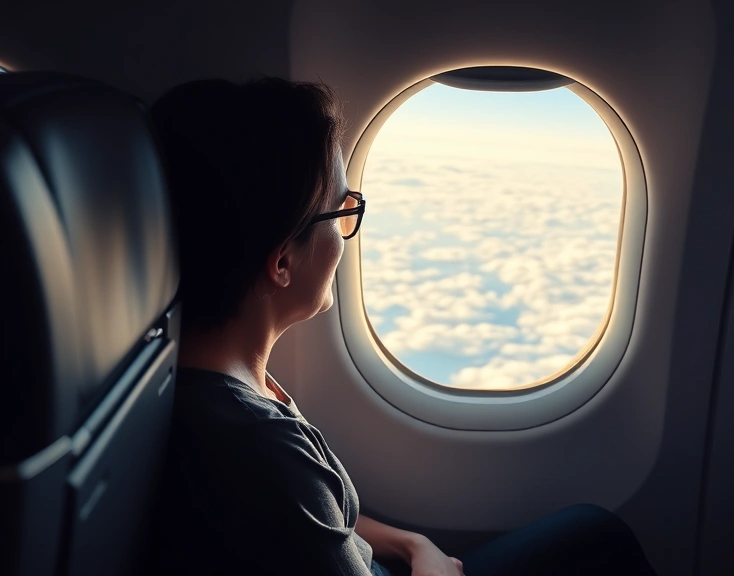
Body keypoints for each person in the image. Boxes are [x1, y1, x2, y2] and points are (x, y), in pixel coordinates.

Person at [146, 76, 659, 576]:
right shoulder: (258, 448)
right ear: (281, 262)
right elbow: (298, 497)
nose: (347, 236)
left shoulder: (228, 385)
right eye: (343, 211)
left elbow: (322, 518)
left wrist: (415, 544)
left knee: (593, 533)